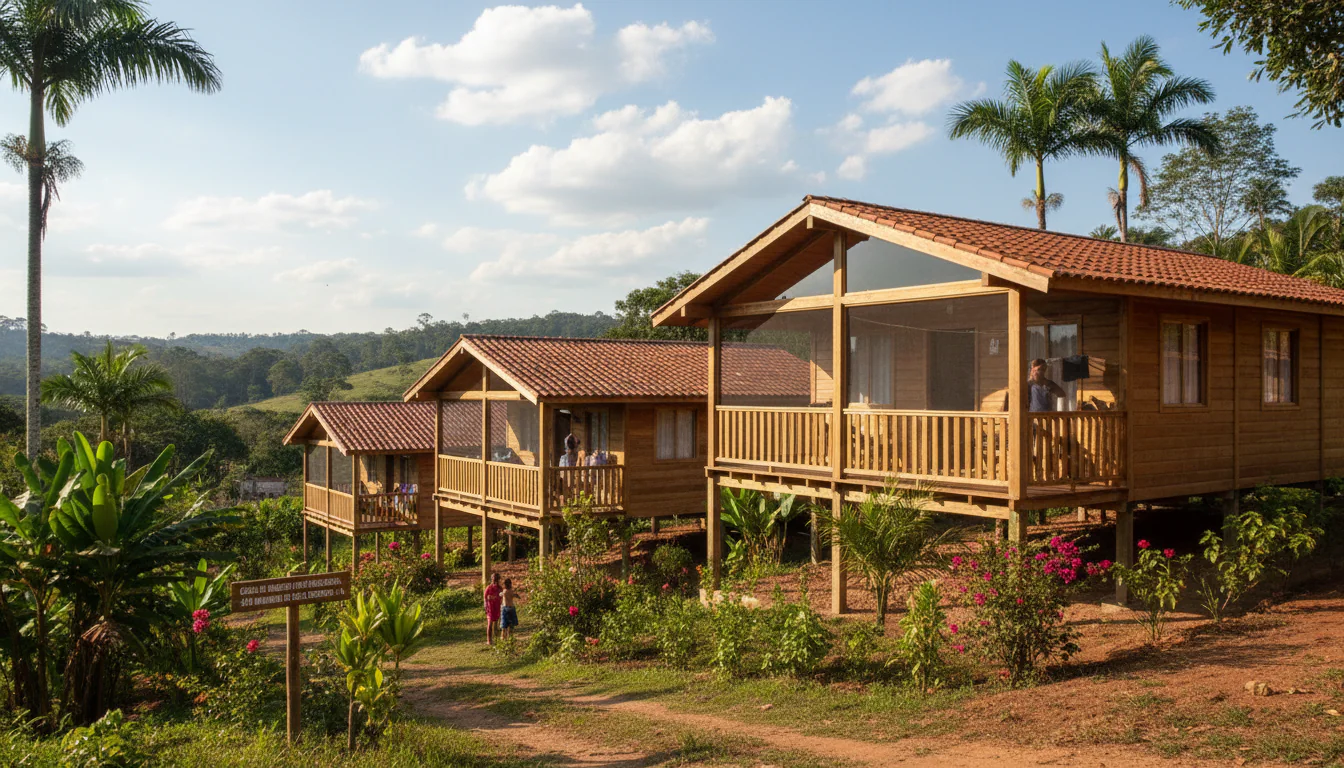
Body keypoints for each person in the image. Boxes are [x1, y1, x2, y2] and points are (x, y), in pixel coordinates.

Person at [483, 572, 502, 646]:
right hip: (490, 607)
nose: (495, 580)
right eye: (494, 579)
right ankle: (489, 640)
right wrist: (486, 606)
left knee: (496, 624)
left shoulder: (500, 588)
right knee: (490, 624)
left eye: (497, 579)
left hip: (497, 607)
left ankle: (496, 639)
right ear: (492, 579)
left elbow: (501, 597)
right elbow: (485, 597)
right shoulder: (489, 587)